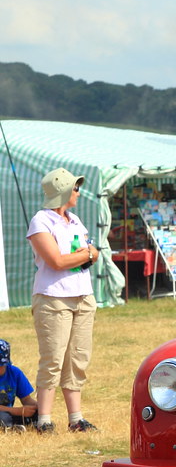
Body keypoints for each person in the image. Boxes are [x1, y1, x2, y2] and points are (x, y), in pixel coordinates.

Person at [26, 168, 99, 433]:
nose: (78, 192)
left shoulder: (75, 219)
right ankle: (44, 420)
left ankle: (76, 419)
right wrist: (86, 255)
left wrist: (88, 253)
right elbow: (55, 261)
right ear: (64, 192)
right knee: (53, 359)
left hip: (82, 297)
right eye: (75, 188)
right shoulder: (40, 221)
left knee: (78, 359)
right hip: (53, 299)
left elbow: (94, 252)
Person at [0, 339, 38, 433]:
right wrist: (17, 411)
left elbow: (26, 399)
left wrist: (39, 407)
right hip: (4, 414)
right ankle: (10, 428)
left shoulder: (14, 373)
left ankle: (34, 425)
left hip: (9, 413)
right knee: (3, 417)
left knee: (37, 413)